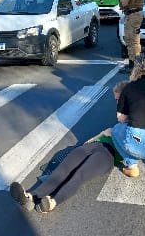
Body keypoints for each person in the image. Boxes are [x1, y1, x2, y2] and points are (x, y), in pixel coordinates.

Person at [9, 82, 127, 213]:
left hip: (108, 155)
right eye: (116, 100)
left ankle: (52, 201)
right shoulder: (121, 120)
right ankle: (31, 196)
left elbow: (134, 157)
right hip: (92, 146)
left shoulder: (136, 125)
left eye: (119, 100)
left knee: (79, 175)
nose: (117, 104)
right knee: (62, 170)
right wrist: (99, 136)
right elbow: (108, 131)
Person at [119, 0, 144, 73]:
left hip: (132, 14)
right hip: (139, 13)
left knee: (130, 40)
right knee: (136, 40)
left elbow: (124, 3)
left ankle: (132, 66)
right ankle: (137, 64)